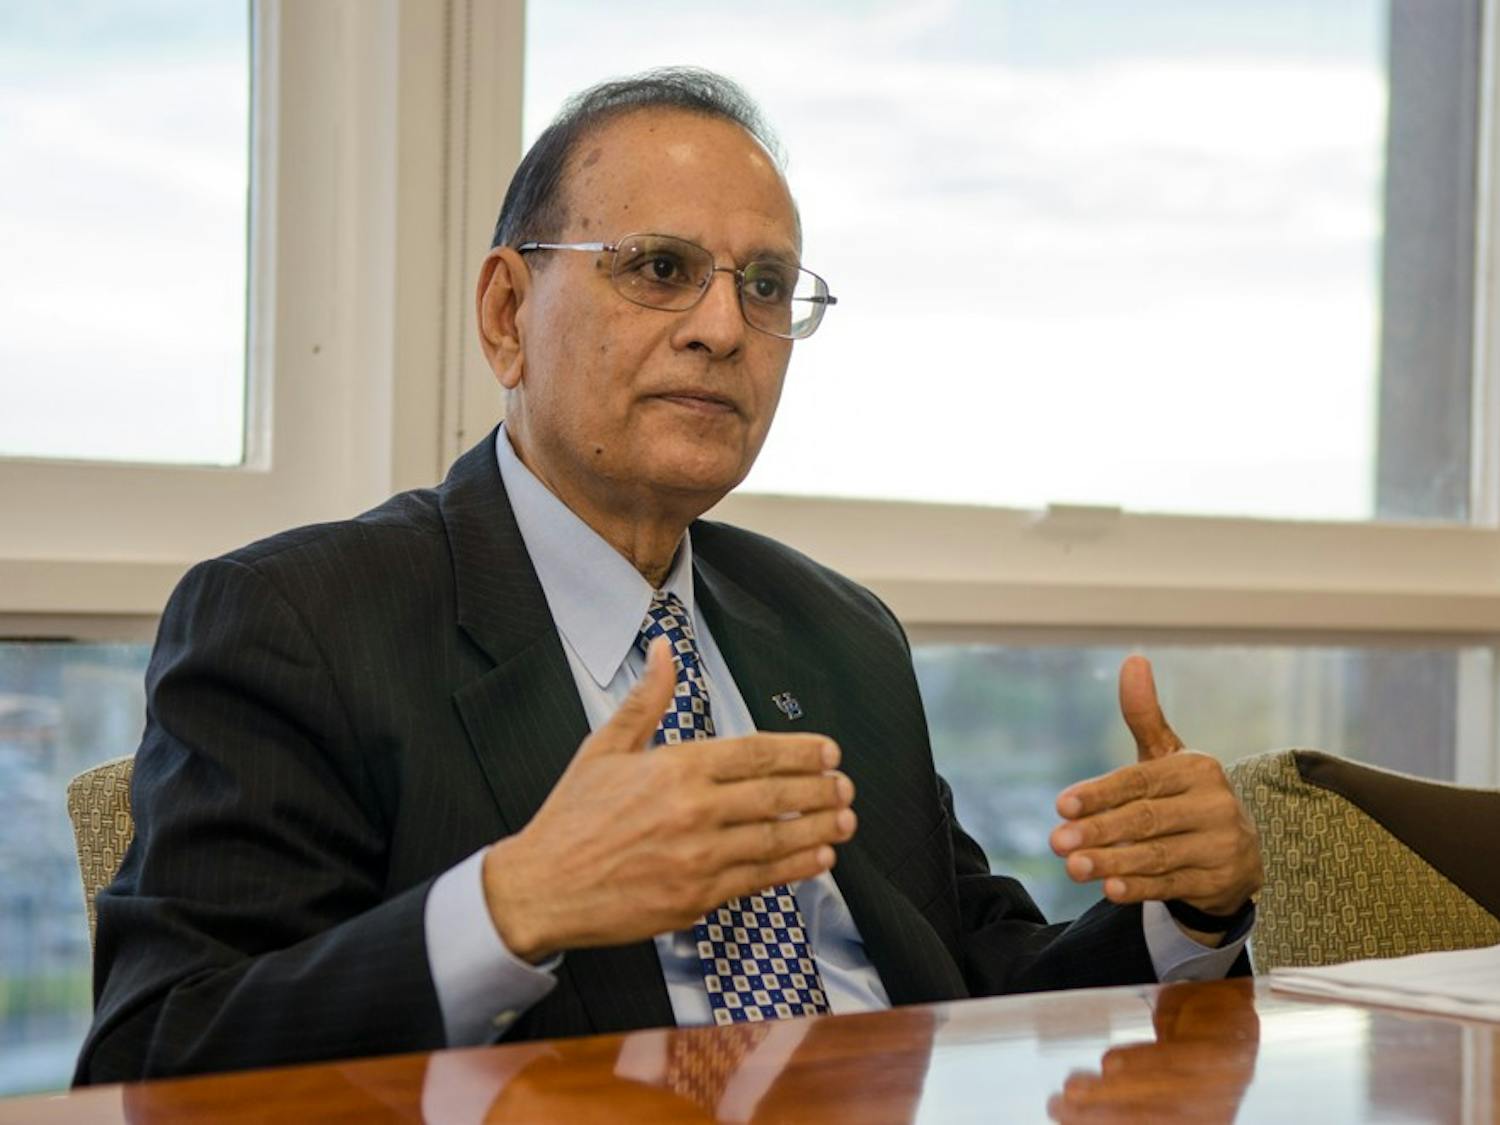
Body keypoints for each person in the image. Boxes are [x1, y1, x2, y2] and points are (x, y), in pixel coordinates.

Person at [77, 68, 1263, 1084]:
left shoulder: (836, 630)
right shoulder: (304, 622)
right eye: (657, 267)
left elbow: (981, 984)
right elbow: (152, 1058)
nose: (722, 328)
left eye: (764, 286)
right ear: (506, 315)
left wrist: (1183, 912)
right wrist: (510, 905)